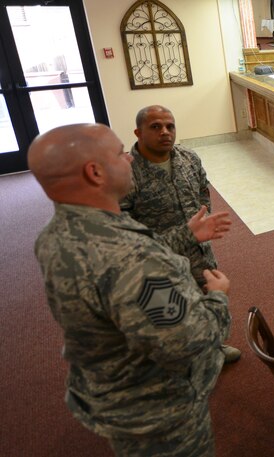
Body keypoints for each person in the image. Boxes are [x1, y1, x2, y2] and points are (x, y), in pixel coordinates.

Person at [30, 124, 231, 456]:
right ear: (95, 172)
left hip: (112, 390)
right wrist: (218, 298)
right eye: (120, 152)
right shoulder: (132, 259)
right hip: (158, 411)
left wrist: (185, 235)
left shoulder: (56, 233)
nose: (129, 158)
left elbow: (119, 266)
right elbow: (187, 343)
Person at [120, 105, 240, 364]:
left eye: (170, 126)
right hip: (158, 258)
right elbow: (125, 230)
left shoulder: (189, 158)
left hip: (199, 251)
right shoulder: (125, 174)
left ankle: (214, 347)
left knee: (207, 298)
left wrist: (204, 226)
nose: (165, 132)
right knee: (171, 313)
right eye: (156, 127)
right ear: (138, 132)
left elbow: (202, 194)